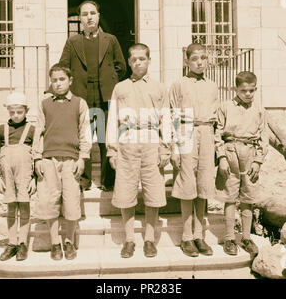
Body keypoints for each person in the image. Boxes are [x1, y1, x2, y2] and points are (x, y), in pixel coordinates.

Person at [106, 43, 171, 258]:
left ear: (149, 60)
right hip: (127, 140)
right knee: (126, 191)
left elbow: (166, 119)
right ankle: (129, 240)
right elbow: (111, 120)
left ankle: (150, 239)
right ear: (128, 62)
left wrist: (165, 148)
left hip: (151, 140)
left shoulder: (160, 88)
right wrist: (112, 150)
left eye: (142, 58)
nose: (137, 62)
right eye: (133, 59)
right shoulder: (120, 87)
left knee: (153, 192)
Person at [59, 0, 126, 192]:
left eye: (93, 13)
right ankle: (84, 180)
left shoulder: (110, 40)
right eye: (85, 14)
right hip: (82, 98)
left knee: (106, 138)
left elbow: (120, 66)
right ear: (80, 18)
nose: (89, 17)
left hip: (104, 98)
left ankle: (108, 181)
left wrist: (109, 80)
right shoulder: (73, 42)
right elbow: (63, 65)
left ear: (98, 16)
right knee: (84, 139)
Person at [32, 64, 92, 260]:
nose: (58, 84)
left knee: (72, 202)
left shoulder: (79, 103)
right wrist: (37, 158)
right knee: (49, 202)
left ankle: (69, 241)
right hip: (49, 159)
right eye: (54, 80)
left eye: (62, 80)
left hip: (71, 160)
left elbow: (85, 132)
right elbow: (39, 133)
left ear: (70, 80)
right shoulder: (44, 104)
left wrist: (83, 158)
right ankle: (55, 243)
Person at [169, 43, 218, 257]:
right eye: (195, 58)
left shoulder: (213, 86)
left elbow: (217, 119)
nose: (199, 62)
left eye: (203, 58)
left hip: (206, 132)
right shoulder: (179, 84)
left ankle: (200, 235)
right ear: (186, 61)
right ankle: (186, 237)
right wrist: (174, 147)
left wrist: (217, 146)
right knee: (187, 185)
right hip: (186, 131)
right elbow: (171, 115)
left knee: (203, 184)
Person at [215, 71, 268, 256]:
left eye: (252, 90)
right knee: (230, 197)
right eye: (244, 90)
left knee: (248, 197)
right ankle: (229, 238)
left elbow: (264, 137)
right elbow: (218, 134)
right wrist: (221, 157)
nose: (248, 94)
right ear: (235, 89)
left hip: (250, 153)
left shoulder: (260, 110)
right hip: (230, 152)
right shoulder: (225, 107)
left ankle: (246, 237)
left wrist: (258, 161)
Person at [0, 92, 36, 261]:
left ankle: (22, 243)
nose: (16, 115)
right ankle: (12, 243)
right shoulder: (1, 130)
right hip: (7, 176)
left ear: (26, 111)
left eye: (19, 112)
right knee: (11, 207)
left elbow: (37, 154)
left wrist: (35, 179)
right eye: (12, 112)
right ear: (8, 111)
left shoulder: (32, 130)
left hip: (25, 175)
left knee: (24, 206)